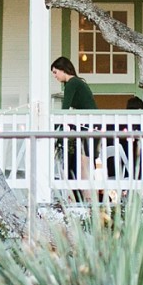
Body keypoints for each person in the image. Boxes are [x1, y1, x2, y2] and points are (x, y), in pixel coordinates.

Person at [51, 56, 97, 195]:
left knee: (85, 163)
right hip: (88, 125)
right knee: (85, 162)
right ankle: (86, 198)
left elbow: (65, 108)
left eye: (55, 72)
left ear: (63, 69)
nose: (55, 76)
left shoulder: (72, 83)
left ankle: (88, 199)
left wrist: (56, 127)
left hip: (87, 126)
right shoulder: (75, 82)